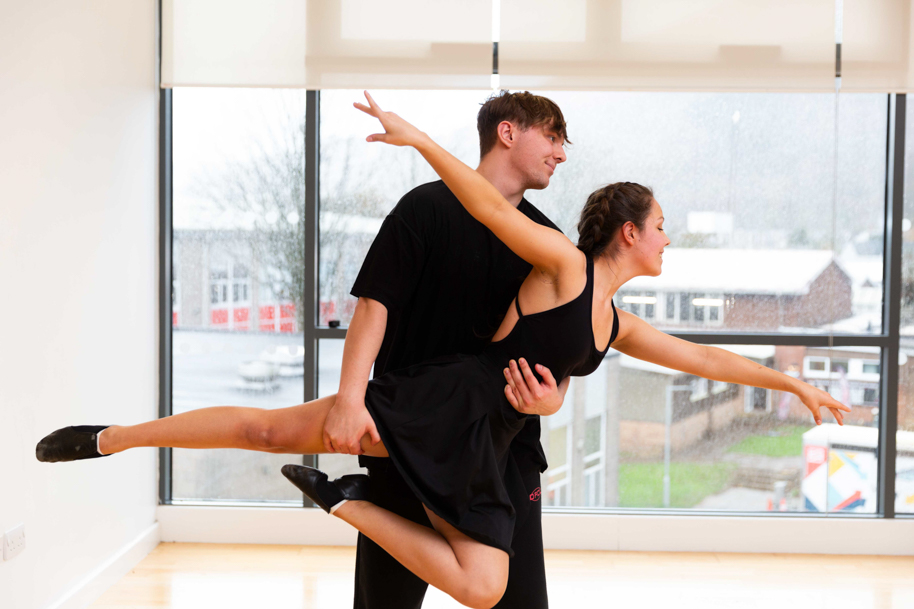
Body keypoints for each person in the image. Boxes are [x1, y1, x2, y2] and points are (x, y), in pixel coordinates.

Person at [36, 92, 851, 609]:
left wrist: (789, 381)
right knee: (268, 430)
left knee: (486, 588)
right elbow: (448, 239)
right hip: (437, 406)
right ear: (632, 231)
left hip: (494, 450)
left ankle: (342, 497)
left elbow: (703, 361)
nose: (561, 152)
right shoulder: (544, 251)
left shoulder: (602, 307)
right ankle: (113, 436)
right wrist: (420, 138)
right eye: (553, 137)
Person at [324, 90, 571, 609]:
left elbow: (560, 345)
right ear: (508, 133)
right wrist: (350, 400)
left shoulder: (546, 239)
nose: (561, 153)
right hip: (409, 437)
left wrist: (555, 397)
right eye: (551, 137)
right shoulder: (425, 209)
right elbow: (374, 307)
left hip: (505, 453)